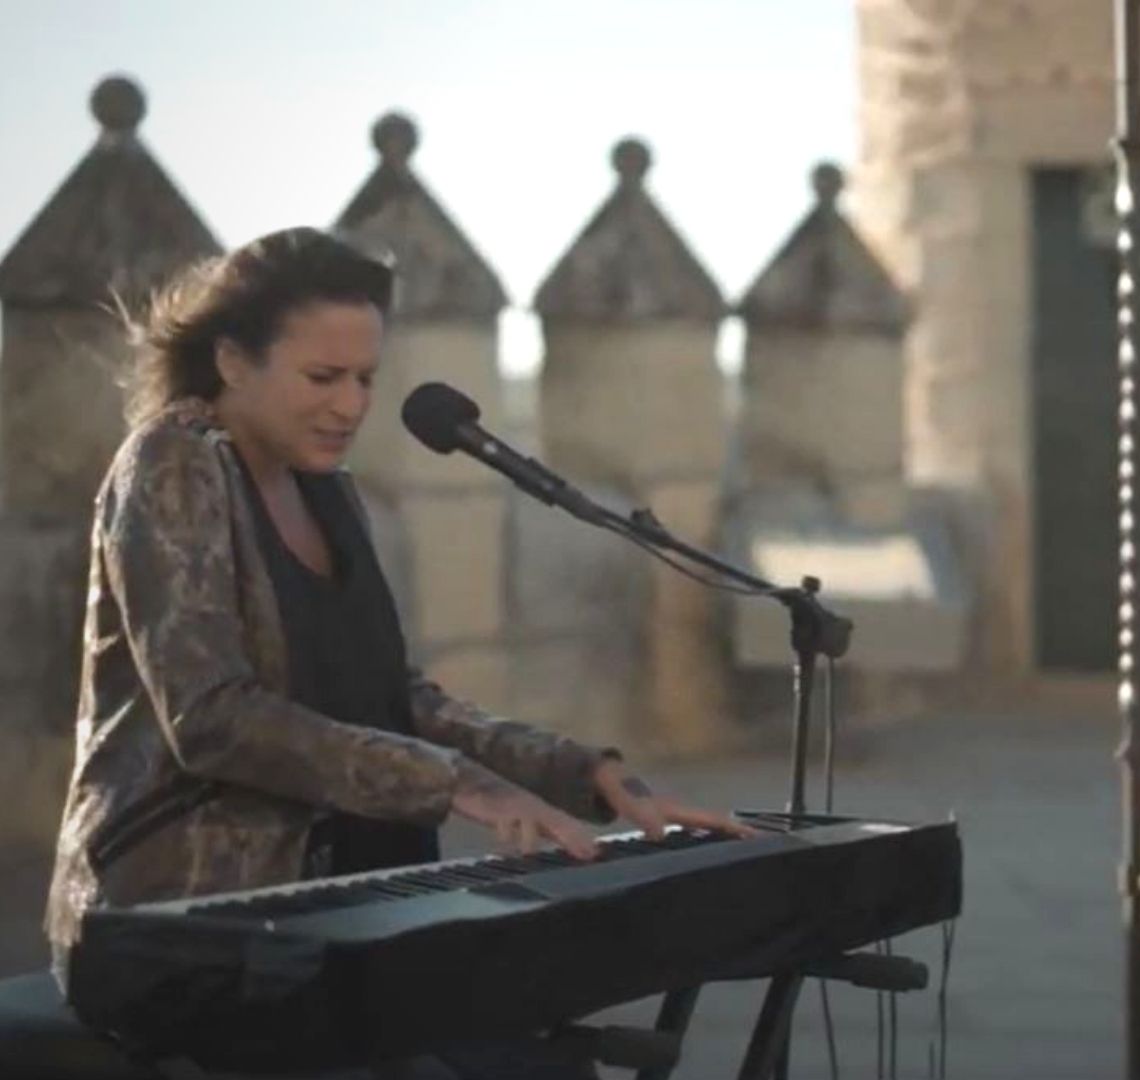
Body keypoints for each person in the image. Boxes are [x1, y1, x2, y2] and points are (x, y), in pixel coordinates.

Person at [43, 227, 751, 1078]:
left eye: (366, 379)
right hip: (183, 918)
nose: (350, 405)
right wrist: (455, 784)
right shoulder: (170, 465)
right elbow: (214, 719)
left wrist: (585, 774)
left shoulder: (326, 491)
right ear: (231, 361)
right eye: (322, 377)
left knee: (543, 1048)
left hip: (340, 895)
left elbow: (393, 697)